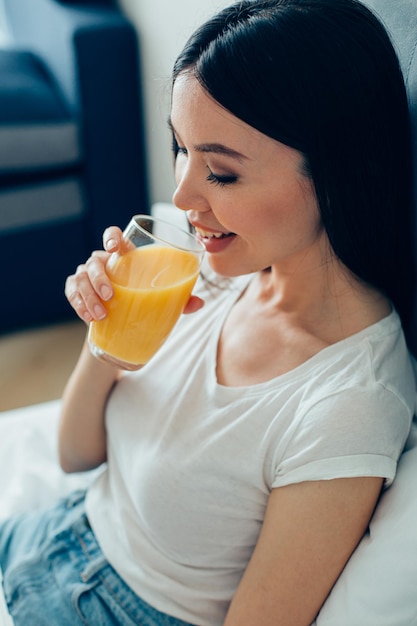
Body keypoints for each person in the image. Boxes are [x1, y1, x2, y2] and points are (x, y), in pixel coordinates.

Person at [1, 0, 416, 624]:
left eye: (220, 172)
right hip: (55, 535)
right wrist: (105, 338)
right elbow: (75, 456)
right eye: (181, 148)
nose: (182, 195)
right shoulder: (208, 272)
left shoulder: (348, 405)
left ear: (333, 171)